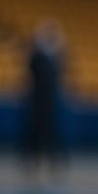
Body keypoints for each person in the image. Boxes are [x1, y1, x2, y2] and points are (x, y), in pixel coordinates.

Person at [21, 18, 67, 178]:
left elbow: (64, 66)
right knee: (34, 132)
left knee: (51, 133)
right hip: (36, 101)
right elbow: (30, 68)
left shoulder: (55, 56)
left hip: (50, 102)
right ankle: (32, 161)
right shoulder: (36, 55)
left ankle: (54, 162)